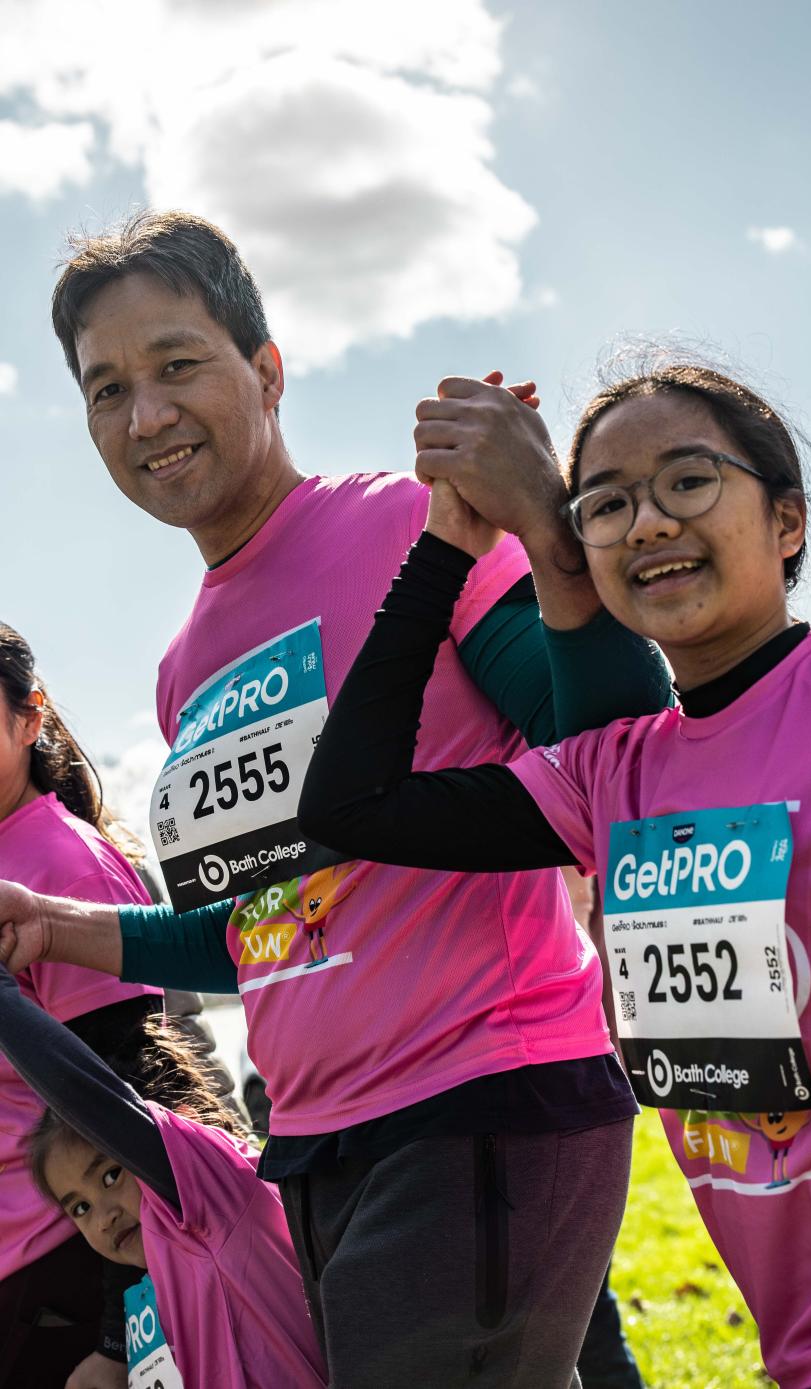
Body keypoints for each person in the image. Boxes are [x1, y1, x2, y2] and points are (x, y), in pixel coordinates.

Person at [0, 211, 672, 1388]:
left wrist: (543, 519)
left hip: (478, 1096)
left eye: (175, 365)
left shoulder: (400, 530)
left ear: (266, 372)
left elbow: (610, 739)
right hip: (315, 1144)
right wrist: (56, 929)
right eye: (107, 390)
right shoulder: (181, 666)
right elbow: (269, 935)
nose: (145, 414)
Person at [290, 361, 811, 1389]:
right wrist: (451, 546)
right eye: (606, 504)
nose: (649, 523)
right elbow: (346, 806)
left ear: (788, 522)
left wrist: (545, 515)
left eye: (689, 481)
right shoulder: (612, 772)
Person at [0, 963, 326, 1388]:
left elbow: (82, 1092)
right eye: (79, 1207)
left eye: (111, 1175)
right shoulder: (151, 1289)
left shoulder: (215, 1197)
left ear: (181, 1133)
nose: (103, 1217)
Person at [0, 623, 164, 1389]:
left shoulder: (63, 865)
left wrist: (115, 1335)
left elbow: (137, 1102)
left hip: (55, 1274)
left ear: (30, 720)